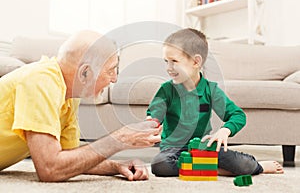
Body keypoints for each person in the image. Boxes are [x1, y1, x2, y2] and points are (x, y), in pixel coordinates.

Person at [0, 30, 162, 182]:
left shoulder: (68, 95)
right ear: (85, 73)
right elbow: (50, 169)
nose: (114, 79)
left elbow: (67, 159)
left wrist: (116, 166)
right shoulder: (40, 81)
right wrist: (120, 139)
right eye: (111, 70)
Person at [147, 28, 284, 177]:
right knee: (159, 165)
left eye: (174, 61)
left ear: (196, 61)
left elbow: (237, 115)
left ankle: (259, 166)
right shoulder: (166, 90)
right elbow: (155, 113)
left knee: (244, 165)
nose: (169, 68)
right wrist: (151, 124)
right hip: (172, 150)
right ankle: (213, 170)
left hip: (203, 147)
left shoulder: (211, 90)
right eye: (166, 61)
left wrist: (225, 130)